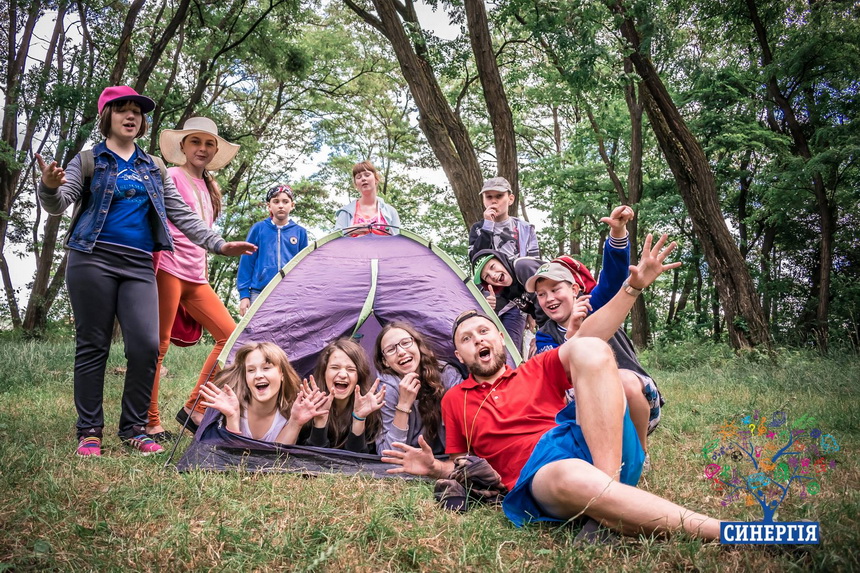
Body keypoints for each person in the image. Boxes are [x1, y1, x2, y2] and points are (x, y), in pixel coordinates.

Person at [382, 234, 721, 541]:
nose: (478, 340)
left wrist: (631, 288)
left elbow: (587, 340)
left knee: (590, 348)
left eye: (484, 331)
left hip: (597, 447)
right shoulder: (456, 399)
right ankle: (725, 531)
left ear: (500, 338)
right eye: (466, 339)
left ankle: (605, 498)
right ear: (459, 355)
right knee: (568, 475)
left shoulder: (534, 369)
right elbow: (461, 464)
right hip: (544, 473)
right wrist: (434, 468)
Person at [36, 86, 256, 457]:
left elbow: (181, 214)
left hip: (138, 263)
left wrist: (218, 244)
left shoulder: (153, 166)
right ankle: (89, 431)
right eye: (122, 109)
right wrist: (48, 186)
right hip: (92, 258)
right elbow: (58, 203)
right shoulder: (88, 160)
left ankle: (134, 428)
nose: (131, 116)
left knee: (146, 346)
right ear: (107, 116)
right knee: (93, 345)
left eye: (137, 111)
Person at [146, 116, 241, 441]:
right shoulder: (172, 176)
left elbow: (204, 234)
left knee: (231, 337)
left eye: (209, 143)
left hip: (196, 276)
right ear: (183, 147)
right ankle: (150, 421)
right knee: (158, 347)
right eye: (195, 142)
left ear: (215, 150)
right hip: (169, 269)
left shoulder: (210, 188)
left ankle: (195, 407)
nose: (202, 148)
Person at [527, 261, 662, 451]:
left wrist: (617, 241)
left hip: (638, 401)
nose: (549, 298)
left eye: (555, 289)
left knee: (625, 381)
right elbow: (555, 372)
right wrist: (571, 334)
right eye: (541, 294)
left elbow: (612, 279)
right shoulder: (544, 335)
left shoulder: (596, 306)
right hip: (586, 410)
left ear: (574, 290)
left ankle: (641, 452)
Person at [198, 342, 328, 443]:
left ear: (282, 374)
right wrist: (232, 417)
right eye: (251, 370)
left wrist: (295, 423)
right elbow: (228, 458)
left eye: (266, 368)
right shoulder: (233, 406)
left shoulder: (289, 413)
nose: (258, 375)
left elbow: (278, 458)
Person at [467, 176, 539, 353]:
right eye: (489, 197)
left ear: (510, 198)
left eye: (499, 196)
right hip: (487, 303)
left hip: (516, 303)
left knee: (511, 351)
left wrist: (532, 310)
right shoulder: (478, 229)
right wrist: (488, 226)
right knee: (488, 349)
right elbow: (475, 260)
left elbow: (535, 271)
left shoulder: (525, 229)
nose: (494, 201)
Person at [373, 322, 464, 456]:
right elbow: (388, 455)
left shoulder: (446, 374)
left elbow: (468, 432)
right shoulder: (386, 389)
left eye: (406, 343)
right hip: (408, 461)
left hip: (450, 457)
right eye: (390, 350)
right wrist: (403, 405)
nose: (401, 352)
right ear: (385, 361)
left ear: (417, 345)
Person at [237, 184, 309, 317]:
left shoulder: (300, 232)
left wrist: (303, 294)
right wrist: (244, 295)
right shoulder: (258, 229)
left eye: (285, 202)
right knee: (258, 329)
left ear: (292, 205)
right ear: (269, 206)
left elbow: (304, 266)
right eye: (276, 202)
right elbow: (247, 262)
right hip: (259, 292)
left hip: (290, 295)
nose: (281, 205)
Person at [304, 338, 386, 453]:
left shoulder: (370, 410)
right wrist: (320, 421)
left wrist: (359, 419)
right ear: (324, 373)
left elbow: (359, 461)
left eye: (350, 369)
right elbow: (309, 458)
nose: (343, 374)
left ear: (359, 377)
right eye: (335, 367)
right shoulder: (309, 405)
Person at [334, 161, 400, 236]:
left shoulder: (391, 212)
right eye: (358, 177)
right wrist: (350, 231)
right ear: (356, 184)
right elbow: (334, 239)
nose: (363, 179)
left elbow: (398, 240)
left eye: (367, 175)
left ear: (376, 179)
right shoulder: (346, 213)